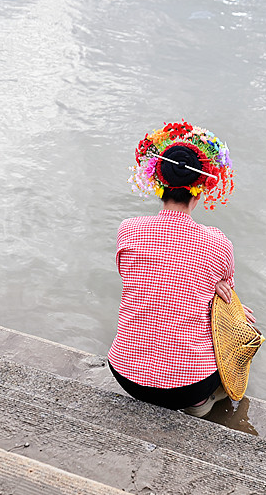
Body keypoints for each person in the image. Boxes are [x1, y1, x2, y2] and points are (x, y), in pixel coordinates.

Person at [107, 121, 254, 418]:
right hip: (188, 386)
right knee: (235, 318)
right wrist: (213, 287)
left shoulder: (128, 230)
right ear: (200, 191)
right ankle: (201, 403)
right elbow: (226, 292)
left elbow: (138, 276)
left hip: (124, 374)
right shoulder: (218, 243)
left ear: (158, 185)